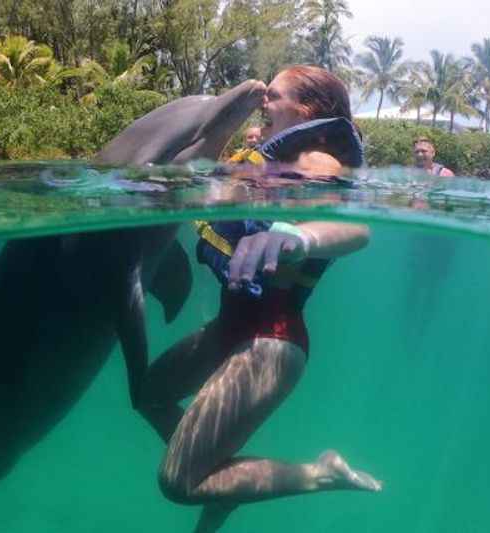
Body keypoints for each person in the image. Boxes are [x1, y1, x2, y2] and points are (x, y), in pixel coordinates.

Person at [136, 65, 381, 533]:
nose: (262, 103)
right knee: (149, 394)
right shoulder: (263, 159)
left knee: (177, 484)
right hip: (231, 331)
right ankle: (228, 480)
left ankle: (320, 473)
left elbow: (357, 230)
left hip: (272, 340)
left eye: (273, 95)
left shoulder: (317, 161)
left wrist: (300, 237)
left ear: (306, 110)